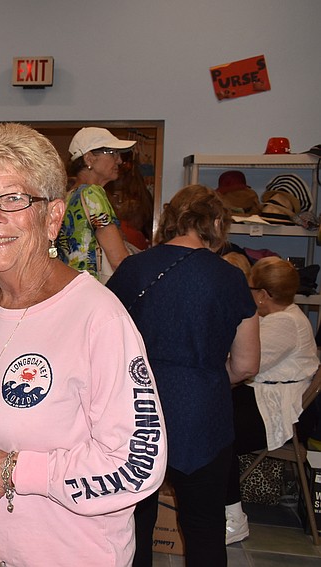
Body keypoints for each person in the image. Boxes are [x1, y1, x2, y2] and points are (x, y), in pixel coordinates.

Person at [0, 123, 166, 566]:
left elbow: (138, 466)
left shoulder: (99, 317)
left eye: (14, 200)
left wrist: (15, 471)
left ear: (53, 216)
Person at [107, 184, 261, 567]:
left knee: (132, 525)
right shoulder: (231, 278)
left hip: (135, 413)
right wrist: (204, 376)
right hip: (203, 414)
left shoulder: (133, 268)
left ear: (171, 220)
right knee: (205, 528)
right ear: (215, 223)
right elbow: (245, 365)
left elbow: (102, 343)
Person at [225, 256, 320, 544]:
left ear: (264, 295)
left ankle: (233, 516)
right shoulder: (281, 317)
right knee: (212, 419)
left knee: (219, 435)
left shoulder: (284, 324)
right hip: (266, 395)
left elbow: (244, 362)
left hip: (281, 409)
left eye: (251, 288)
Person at [58, 127, 136, 279]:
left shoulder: (67, 196)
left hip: (70, 287)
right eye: (112, 153)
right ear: (89, 158)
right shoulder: (92, 193)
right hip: (93, 289)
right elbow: (119, 260)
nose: (119, 160)